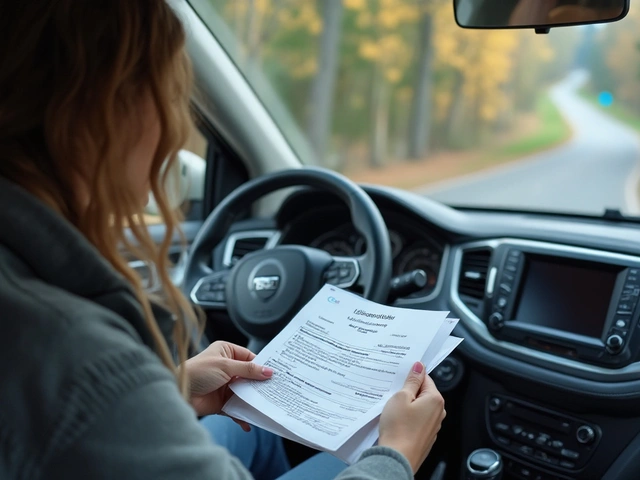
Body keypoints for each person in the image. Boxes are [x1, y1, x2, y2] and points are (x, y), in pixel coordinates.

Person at [0, 1, 446, 479]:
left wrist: (175, 387)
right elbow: (90, 403)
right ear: (104, 110)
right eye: (168, 93)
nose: (173, 127)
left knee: (240, 431)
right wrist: (396, 454)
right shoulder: (79, 357)